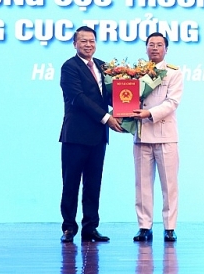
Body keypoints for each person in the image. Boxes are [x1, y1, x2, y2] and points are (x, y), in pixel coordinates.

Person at [59, 26, 124, 243]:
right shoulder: (69, 67)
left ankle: (90, 228)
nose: (88, 45)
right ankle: (69, 228)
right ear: (75, 43)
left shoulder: (103, 66)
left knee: (93, 184)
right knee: (71, 183)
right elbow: (78, 98)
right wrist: (107, 117)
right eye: (84, 41)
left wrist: (124, 107)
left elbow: (110, 95)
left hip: (97, 136)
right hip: (75, 136)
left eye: (92, 41)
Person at [130, 32, 183, 243]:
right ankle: (144, 227)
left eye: (159, 45)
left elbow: (172, 102)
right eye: (151, 44)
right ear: (145, 48)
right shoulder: (135, 72)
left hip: (166, 135)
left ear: (166, 49)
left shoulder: (174, 73)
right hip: (142, 135)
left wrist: (149, 114)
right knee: (142, 185)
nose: (154, 48)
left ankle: (170, 227)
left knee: (169, 184)